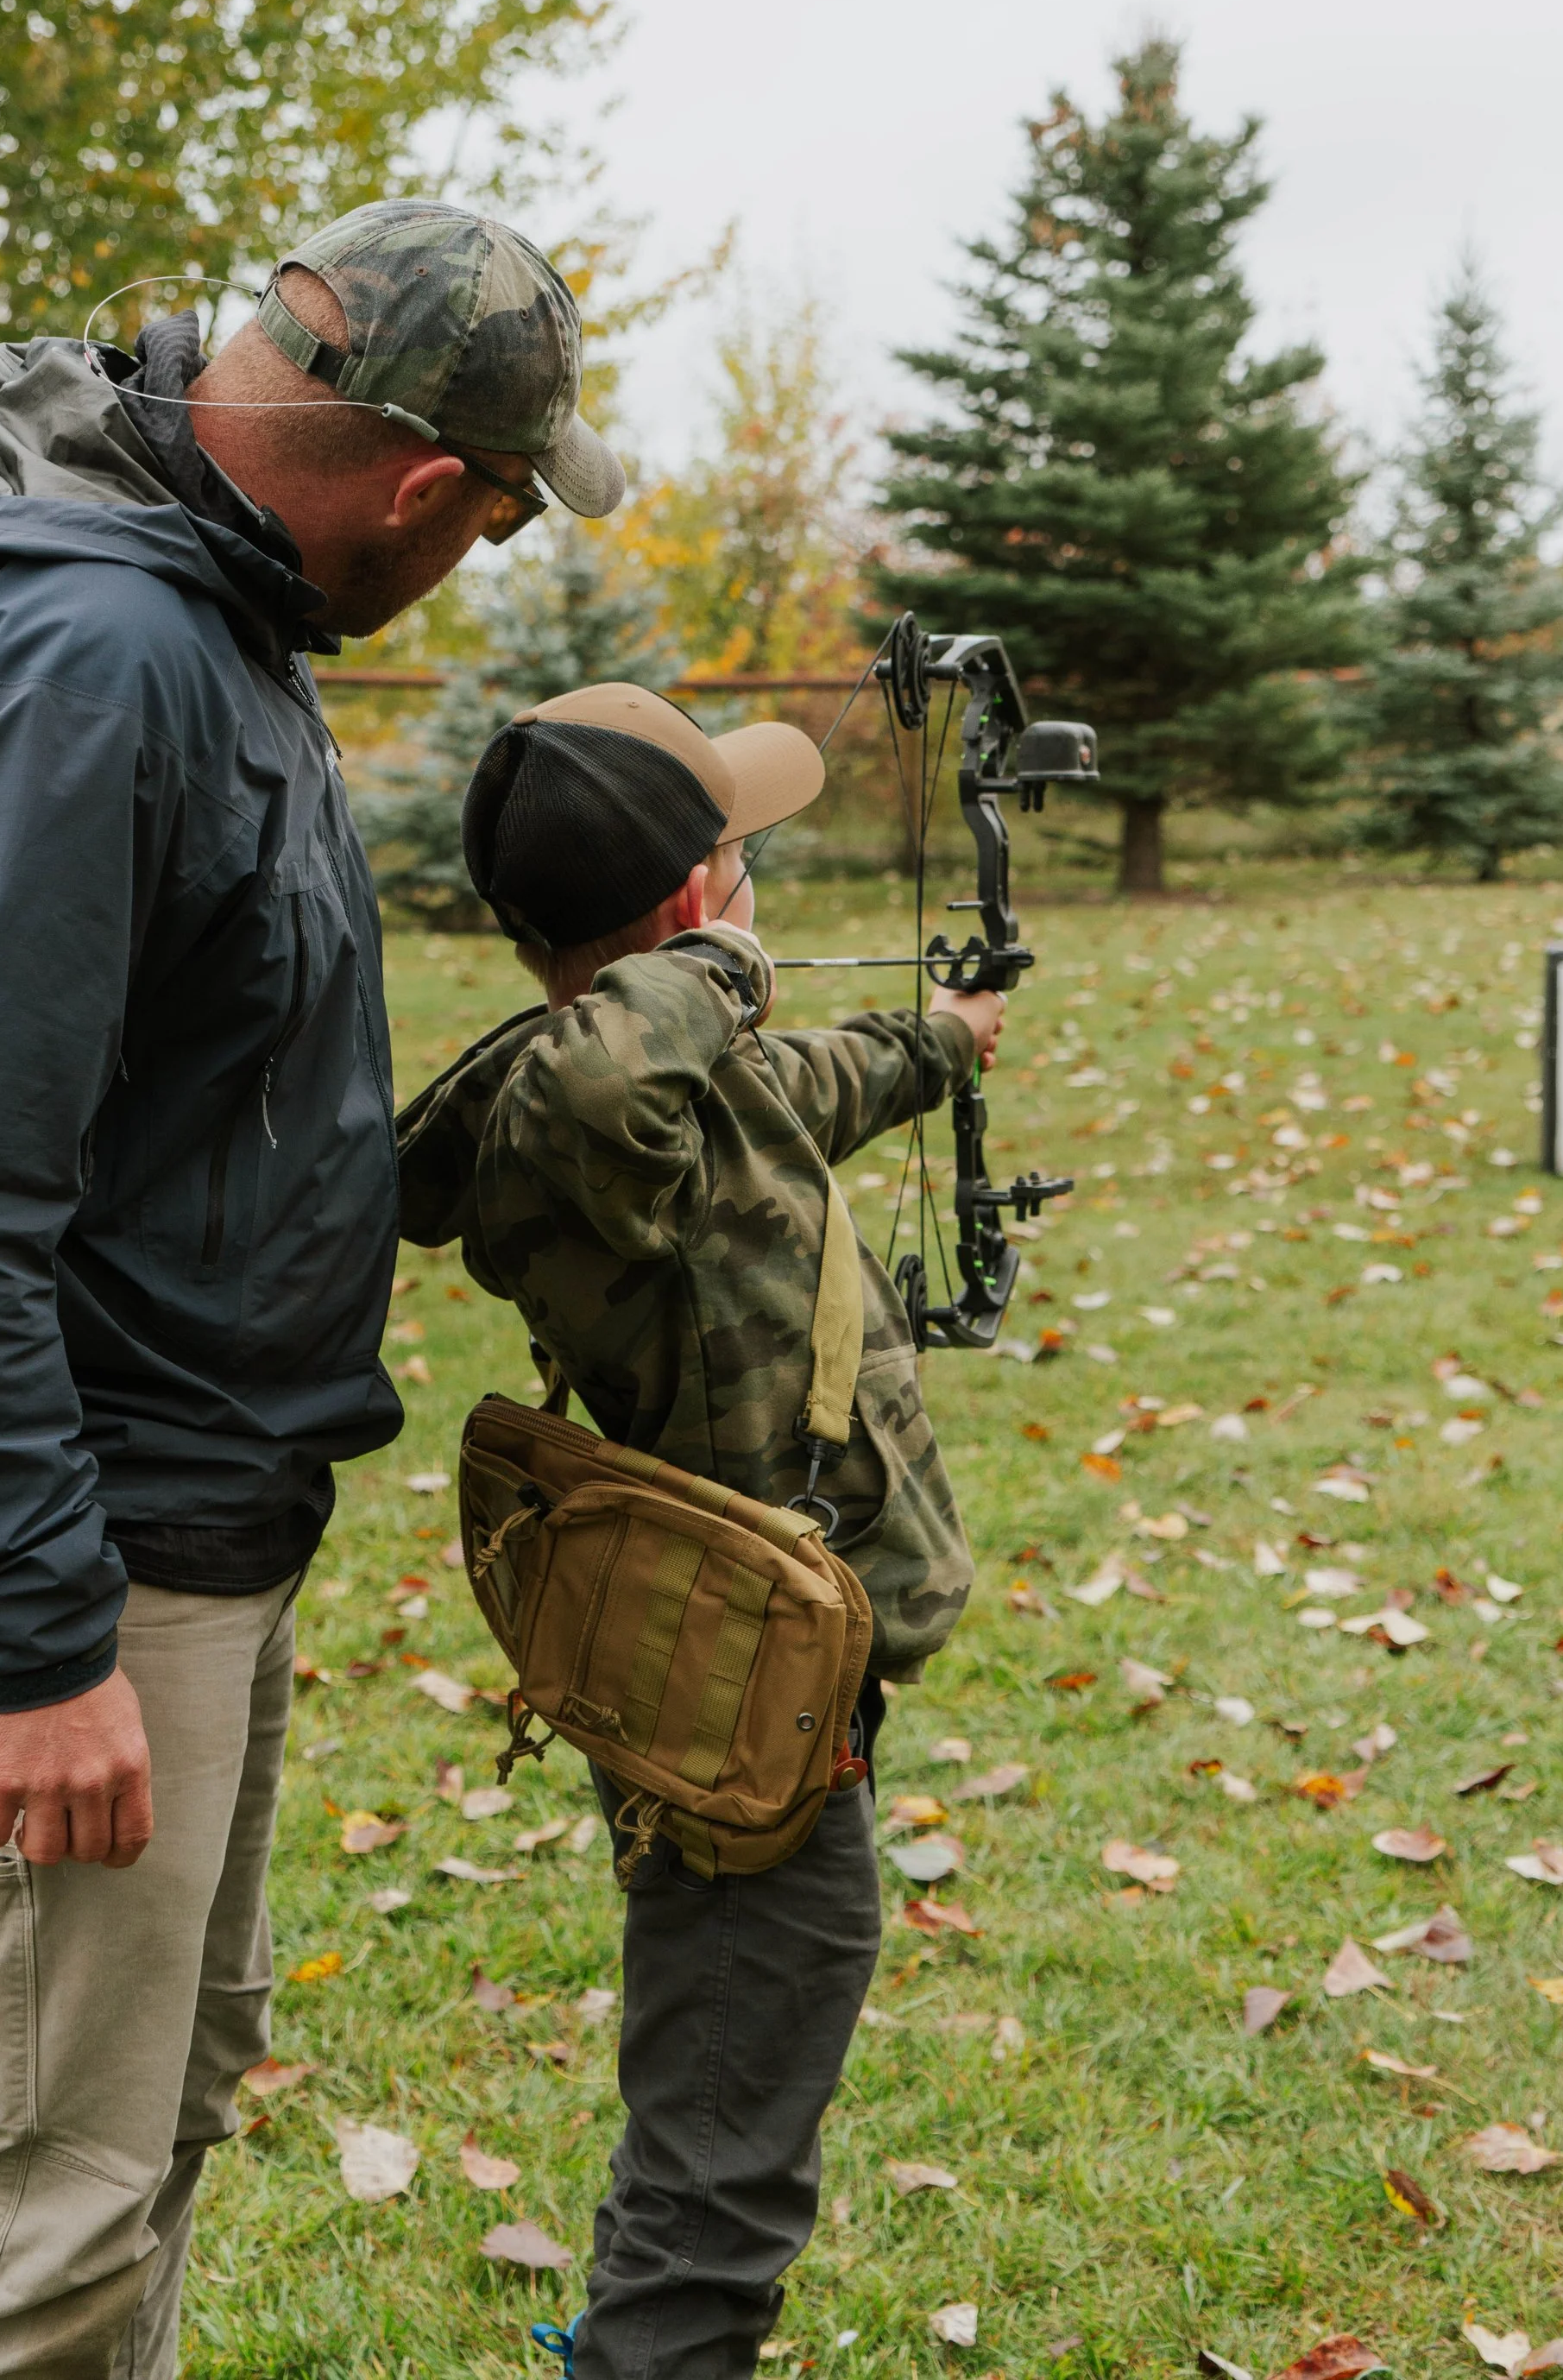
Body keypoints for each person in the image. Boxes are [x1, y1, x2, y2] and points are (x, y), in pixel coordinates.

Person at [0, 201, 623, 2378]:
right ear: (429, 490)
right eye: (503, 521)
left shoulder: (195, 612)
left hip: (172, 1536)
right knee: (21, 2223)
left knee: (128, 2142)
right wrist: (40, 1644)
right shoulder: (88, 657)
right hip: (59, 1565)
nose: (479, 555)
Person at [395, 682, 1003, 2380]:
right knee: (727, 2103)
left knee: (733, 2044)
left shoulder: (682, 1097)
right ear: (686, 907)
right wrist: (720, 958)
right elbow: (613, 1080)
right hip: (738, 1677)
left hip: (759, 1655)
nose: (754, 895)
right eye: (734, 861)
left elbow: (789, 1089)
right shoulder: (580, 1112)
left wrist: (937, 1038)